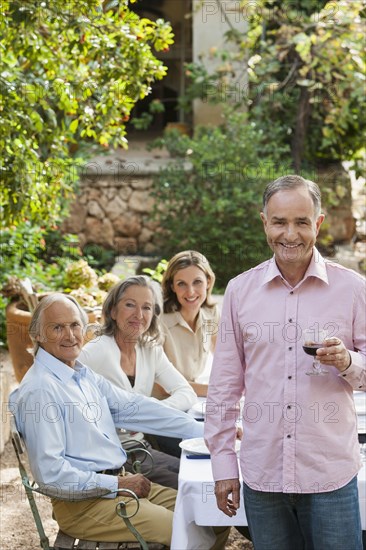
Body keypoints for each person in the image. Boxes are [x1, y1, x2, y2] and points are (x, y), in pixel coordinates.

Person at [205, 175, 366, 550]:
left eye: (301, 222)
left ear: (319, 224)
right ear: (264, 222)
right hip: (264, 477)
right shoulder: (240, 291)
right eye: (279, 222)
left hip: (330, 473)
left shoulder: (354, 289)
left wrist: (347, 361)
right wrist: (224, 465)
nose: (289, 234)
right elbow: (224, 386)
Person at [8, 293, 228, 548]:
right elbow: (51, 475)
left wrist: (207, 431)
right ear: (37, 335)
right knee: (185, 532)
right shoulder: (41, 390)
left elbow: (136, 408)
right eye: (57, 327)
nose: (69, 335)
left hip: (120, 483)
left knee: (212, 513)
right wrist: (116, 484)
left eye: (75, 325)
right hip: (83, 504)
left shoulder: (79, 373)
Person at [80, 275, 198, 489]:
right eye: (129, 305)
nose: (139, 315)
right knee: (191, 487)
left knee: (199, 476)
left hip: (141, 449)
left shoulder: (150, 350)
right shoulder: (95, 351)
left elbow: (185, 393)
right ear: (113, 311)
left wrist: (152, 412)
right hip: (110, 458)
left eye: (146, 308)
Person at [161, 250, 219, 398]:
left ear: (208, 281)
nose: (191, 292)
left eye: (197, 282)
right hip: (162, 403)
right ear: (172, 286)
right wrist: (213, 391)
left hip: (191, 400)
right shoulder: (158, 320)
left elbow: (227, 358)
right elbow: (160, 384)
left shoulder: (211, 314)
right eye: (182, 284)